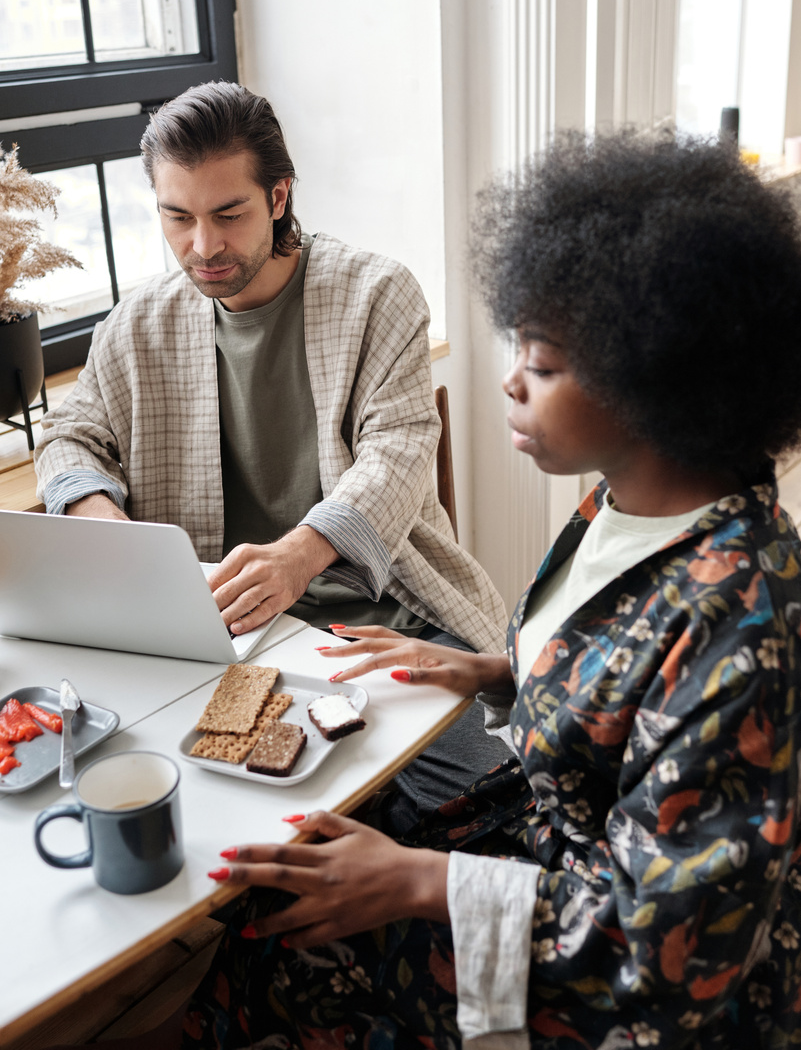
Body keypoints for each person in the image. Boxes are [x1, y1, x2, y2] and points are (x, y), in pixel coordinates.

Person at [166, 128, 801, 1048]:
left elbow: (673, 954)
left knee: (298, 942)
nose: (506, 384)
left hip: (627, 981)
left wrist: (417, 883)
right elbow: (618, 682)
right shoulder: (624, 505)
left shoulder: (746, 621)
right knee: (300, 855)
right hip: (551, 856)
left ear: (655, 377)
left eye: (541, 367)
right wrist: (483, 671)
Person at [34, 81, 509, 815]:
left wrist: (301, 554)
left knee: (484, 793)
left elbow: (400, 448)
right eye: (177, 217)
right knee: (172, 808)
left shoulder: (376, 293)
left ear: (279, 196)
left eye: (229, 214)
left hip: (378, 620)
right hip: (214, 639)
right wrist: (112, 532)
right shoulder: (136, 325)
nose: (203, 246)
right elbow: (70, 437)